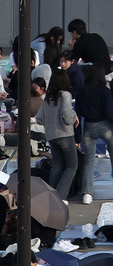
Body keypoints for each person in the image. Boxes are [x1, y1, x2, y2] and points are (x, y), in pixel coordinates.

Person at [39, 69, 79, 198]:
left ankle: (51, 195)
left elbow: (39, 118)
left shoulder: (47, 98)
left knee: (57, 165)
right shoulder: (66, 95)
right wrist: (74, 115)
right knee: (72, 166)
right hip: (65, 135)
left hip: (51, 135)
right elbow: (67, 117)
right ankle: (60, 196)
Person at [78, 62, 113, 204]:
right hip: (105, 126)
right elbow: (110, 112)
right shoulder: (104, 91)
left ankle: (87, 193)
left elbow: (78, 114)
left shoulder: (81, 91)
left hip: (88, 126)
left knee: (89, 161)